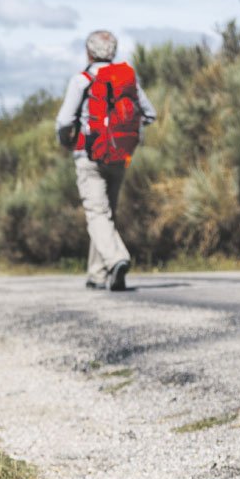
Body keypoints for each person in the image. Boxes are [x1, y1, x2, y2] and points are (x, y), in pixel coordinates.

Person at [55, 29, 156, 292]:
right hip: (120, 154)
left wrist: (67, 141)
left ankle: (116, 259)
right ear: (113, 51)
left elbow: (64, 120)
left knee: (97, 213)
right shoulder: (126, 79)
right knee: (106, 214)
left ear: (88, 52)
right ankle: (97, 274)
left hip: (89, 155)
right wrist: (124, 130)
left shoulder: (82, 80)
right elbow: (150, 113)